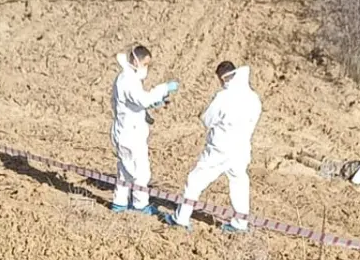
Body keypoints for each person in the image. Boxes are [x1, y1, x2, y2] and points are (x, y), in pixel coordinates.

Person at [163, 61, 262, 233]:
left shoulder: (223, 97)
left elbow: (207, 120)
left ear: (222, 78)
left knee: (194, 181)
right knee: (239, 183)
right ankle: (240, 223)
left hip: (220, 149)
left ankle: (181, 219)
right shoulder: (253, 97)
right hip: (242, 148)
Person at [110, 44, 179, 214]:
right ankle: (140, 205)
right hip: (130, 134)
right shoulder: (127, 80)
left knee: (125, 170)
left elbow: (136, 103)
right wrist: (163, 89)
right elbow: (143, 100)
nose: (146, 68)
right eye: (145, 64)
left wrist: (154, 104)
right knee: (140, 172)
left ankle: (119, 203)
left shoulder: (129, 78)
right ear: (136, 60)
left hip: (127, 131)